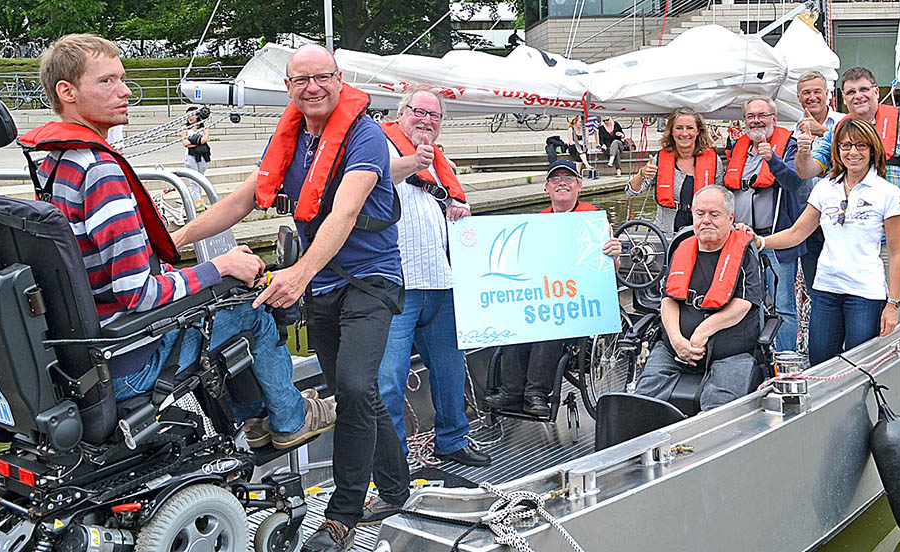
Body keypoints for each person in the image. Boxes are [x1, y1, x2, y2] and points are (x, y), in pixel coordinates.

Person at [16, 34, 330, 455]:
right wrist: (220, 267)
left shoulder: (55, 166)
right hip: (128, 360)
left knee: (217, 300)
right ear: (67, 92)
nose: (125, 91)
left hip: (83, 359)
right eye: (108, 81)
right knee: (248, 307)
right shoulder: (100, 173)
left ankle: (255, 422)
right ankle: (289, 420)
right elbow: (137, 294)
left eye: (123, 79)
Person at [169, 44, 408, 552]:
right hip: (324, 285)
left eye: (322, 77)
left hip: (370, 281)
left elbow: (343, 213)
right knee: (355, 392)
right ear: (288, 88)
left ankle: (342, 516)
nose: (313, 88)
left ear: (339, 79)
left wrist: (298, 272)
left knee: (353, 385)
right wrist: (175, 242)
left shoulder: (365, 136)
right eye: (301, 80)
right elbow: (241, 199)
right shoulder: (293, 138)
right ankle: (396, 487)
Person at [373, 88, 491, 494]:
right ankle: (395, 460)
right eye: (419, 112)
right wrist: (412, 162)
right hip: (398, 283)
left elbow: (454, 208)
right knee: (389, 377)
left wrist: (460, 208)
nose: (426, 121)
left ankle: (452, 440)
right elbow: (374, 177)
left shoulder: (440, 160)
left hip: (441, 280)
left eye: (435, 116)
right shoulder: (379, 141)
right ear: (401, 113)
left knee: (449, 368)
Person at [794, 66, 900, 320]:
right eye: (851, 92)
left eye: (863, 89)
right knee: (859, 320)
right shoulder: (839, 133)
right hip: (853, 247)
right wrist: (803, 151)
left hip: (893, 242)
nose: (858, 96)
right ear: (843, 98)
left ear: (875, 91)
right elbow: (808, 171)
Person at [744, 118, 900, 365]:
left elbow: (895, 254)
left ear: (872, 149)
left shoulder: (888, 193)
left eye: (861, 146)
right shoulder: (825, 188)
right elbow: (797, 233)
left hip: (865, 294)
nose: (853, 152)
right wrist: (759, 242)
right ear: (837, 151)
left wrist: (892, 304)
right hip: (826, 290)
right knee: (820, 363)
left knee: (858, 366)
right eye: (846, 146)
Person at [485, 160, 622, 417]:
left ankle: (536, 392)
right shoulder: (538, 222)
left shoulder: (593, 219)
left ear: (579, 186)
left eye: (568, 179)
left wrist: (614, 254)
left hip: (581, 298)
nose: (562, 183)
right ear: (547, 188)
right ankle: (512, 389)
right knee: (514, 318)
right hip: (547, 291)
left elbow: (613, 271)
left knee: (554, 321)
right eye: (556, 180)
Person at [635, 186, 764, 410]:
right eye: (700, 214)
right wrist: (677, 340)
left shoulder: (744, 254)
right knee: (643, 401)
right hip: (673, 349)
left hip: (730, 354)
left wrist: (702, 331)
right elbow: (668, 299)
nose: (706, 220)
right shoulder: (681, 249)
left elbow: (743, 304)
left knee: (719, 408)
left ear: (730, 218)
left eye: (714, 214)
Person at [724, 97, 805, 352]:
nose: (756, 120)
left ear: (774, 118)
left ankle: (786, 359)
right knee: (743, 302)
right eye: (751, 116)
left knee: (783, 306)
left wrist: (773, 160)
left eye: (762, 115)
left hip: (774, 241)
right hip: (741, 241)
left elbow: (795, 182)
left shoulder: (788, 146)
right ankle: (752, 358)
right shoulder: (739, 149)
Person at [625, 108, 725, 243]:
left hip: (702, 236)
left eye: (690, 128)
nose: (684, 133)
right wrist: (642, 174)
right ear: (671, 131)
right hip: (666, 234)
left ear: (698, 131)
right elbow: (631, 192)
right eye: (679, 128)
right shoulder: (659, 159)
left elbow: (722, 201)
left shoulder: (714, 161)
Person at [794, 72, 845, 300]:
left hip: (844, 220)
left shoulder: (846, 122)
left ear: (827, 94)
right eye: (806, 93)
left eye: (817, 92)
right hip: (810, 221)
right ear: (798, 97)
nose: (812, 97)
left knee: (846, 286)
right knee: (816, 289)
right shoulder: (792, 133)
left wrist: (822, 132)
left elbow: (860, 147)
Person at [181, 106, 211, 204]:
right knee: (193, 182)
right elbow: (185, 143)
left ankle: (199, 203)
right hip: (190, 156)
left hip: (203, 156)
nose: (190, 118)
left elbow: (204, 140)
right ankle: (198, 206)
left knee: (200, 180)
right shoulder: (184, 128)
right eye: (188, 116)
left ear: (197, 115)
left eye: (192, 115)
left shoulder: (204, 126)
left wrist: (192, 141)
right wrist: (198, 141)